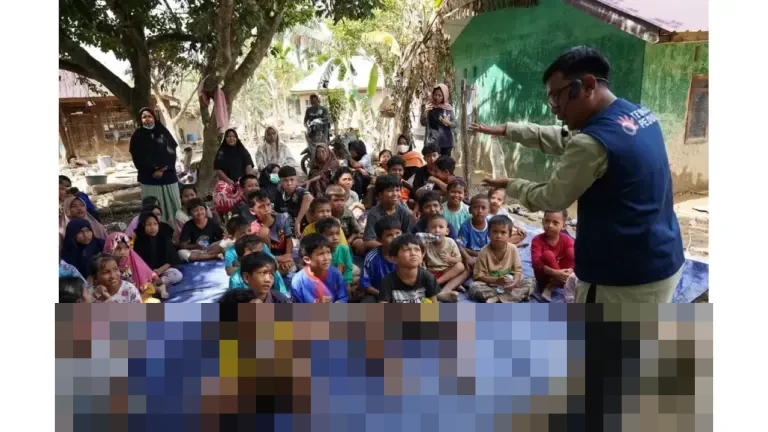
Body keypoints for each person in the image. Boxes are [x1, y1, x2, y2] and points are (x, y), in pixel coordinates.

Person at [472, 46, 684, 303]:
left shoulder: (592, 142)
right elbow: (564, 138)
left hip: (623, 278)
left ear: (587, 85)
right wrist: (508, 130)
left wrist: (510, 184)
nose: (554, 108)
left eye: (556, 97)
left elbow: (552, 198)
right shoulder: (639, 115)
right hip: (663, 257)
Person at [129, 107, 181, 226]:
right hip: (149, 177)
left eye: (149, 116)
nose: (147, 119)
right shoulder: (137, 136)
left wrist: (162, 169)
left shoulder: (163, 132)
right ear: (140, 120)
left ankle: (176, 230)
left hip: (168, 175)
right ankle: (155, 230)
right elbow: (138, 157)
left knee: (174, 205)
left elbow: (171, 152)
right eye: (144, 117)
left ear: (154, 118)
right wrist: (153, 169)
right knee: (152, 207)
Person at [468, 215, 535, 303]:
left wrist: (514, 283)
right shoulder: (484, 252)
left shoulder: (513, 249)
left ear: (509, 235)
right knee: (474, 287)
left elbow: (517, 271)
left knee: (530, 282)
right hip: (491, 285)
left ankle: (498, 299)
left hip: (509, 285)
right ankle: (513, 297)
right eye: (495, 232)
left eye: (503, 232)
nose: (498, 236)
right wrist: (497, 281)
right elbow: (478, 276)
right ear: (488, 234)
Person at [379, 234, 451, 303]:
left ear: (422, 256)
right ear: (394, 259)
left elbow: (433, 305)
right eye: (407, 250)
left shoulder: (428, 277)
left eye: (417, 250)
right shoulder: (387, 281)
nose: (413, 253)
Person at [248, 190, 295, 280]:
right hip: (267, 257)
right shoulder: (255, 228)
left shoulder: (281, 218)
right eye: (261, 207)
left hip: (283, 255)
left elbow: (289, 240)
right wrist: (279, 259)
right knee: (264, 231)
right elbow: (261, 253)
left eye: (268, 205)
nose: (266, 209)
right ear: (252, 211)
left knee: (289, 267)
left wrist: (288, 256)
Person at [103, 232, 164, 300]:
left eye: (126, 248)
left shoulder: (133, 260)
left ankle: (159, 289)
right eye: (118, 248)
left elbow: (147, 289)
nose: (123, 252)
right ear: (109, 249)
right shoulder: (103, 266)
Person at [531, 210, 575, 301]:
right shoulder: (537, 240)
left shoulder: (567, 239)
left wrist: (569, 270)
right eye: (547, 221)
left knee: (572, 252)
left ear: (564, 226)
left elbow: (576, 260)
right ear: (543, 221)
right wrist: (555, 273)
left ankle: (553, 285)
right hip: (544, 277)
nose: (550, 225)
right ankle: (549, 286)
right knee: (548, 254)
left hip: (564, 277)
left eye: (555, 223)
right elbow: (536, 263)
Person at [132, 211, 183, 290]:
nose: (152, 227)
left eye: (155, 224)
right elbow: (138, 263)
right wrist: (149, 273)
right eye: (149, 224)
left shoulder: (163, 238)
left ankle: (156, 285)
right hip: (146, 273)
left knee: (177, 275)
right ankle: (155, 286)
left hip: (162, 271)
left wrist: (159, 270)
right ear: (143, 226)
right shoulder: (139, 241)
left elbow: (171, 259)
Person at [291, 233, 348, 303]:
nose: (327, 258)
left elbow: (343, 297)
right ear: (307, 260)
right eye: (321, 254)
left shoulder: (336, 274)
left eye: (328, 252)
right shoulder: (298, 282)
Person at [362, 175, 413, 251]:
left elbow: (409, 236)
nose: (395, 194)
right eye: (390, 191)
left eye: (397, 190)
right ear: (380, 194)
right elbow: (368, 241)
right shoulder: (374, 213)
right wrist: (388, 247)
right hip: (381, 249)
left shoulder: (404, 212)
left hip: (400, 249)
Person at [213, 128, 255, 215]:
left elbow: (248, 164)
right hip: (226, 182)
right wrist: (229, 181)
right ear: (225, 138)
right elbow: (218, 168)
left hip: (242, 180)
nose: (231, 138)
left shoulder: (242, 150)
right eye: (229, 136)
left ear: (236, 138)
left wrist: (247, 180)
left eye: (233, 136)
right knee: (222, 194)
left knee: (251, 190)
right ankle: (227, 215)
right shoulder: (221, 152)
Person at [358, 216, 400, 303]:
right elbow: (365, 285)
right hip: (378, 293)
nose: (395, 238)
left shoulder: (406, 254)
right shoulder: (372, 257)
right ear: (379, 240)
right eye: (389, 235)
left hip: (402, 295)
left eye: (398, 233)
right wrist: (383, 295)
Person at [422, 215, 466, 293]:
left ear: (447, 231)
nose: (437, 230)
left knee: (460, 266)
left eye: (441, 227)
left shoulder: (451, 242)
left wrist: (451, 259)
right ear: (427, 231)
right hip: (431, 271)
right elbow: (421, 259)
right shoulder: (426, 243)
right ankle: (448, 285)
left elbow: (460, 259)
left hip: (446, 271)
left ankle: (437, 283)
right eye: (433, 227)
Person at [316, 217, 357, 292]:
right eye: (330, 235)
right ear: (321, 236)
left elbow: (348, 267)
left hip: (341, 279)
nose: (335, 238)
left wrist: (347, 284)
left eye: (337, 234)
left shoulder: (344, 249)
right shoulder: (319, 253)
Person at [273, 165, 313, 236]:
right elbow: (277, 210)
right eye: (285, 180)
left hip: (303, 225)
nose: (289, 183)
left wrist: (298, 221)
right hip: (286, 225)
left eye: (292, 179)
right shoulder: (279, 191)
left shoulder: (298, 190)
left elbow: (309, 197)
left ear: (296, 180)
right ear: (280, 182)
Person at [326, 185, 364, 256]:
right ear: (328, 201)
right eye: (336, 200)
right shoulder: (326, 214)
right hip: (331, 240)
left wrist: (348, 242)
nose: (339, 203)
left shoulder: (348, 212)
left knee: (360, 243)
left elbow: (356, 231)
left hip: (348, 239)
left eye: (342, 200)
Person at [421, 84, 457, 157]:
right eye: (435, 94)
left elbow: (455, 124)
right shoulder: (429, 106)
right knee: (433, 163)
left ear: (444, 96)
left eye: (440, 95)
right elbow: (423, 123)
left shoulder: (448, 109)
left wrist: (448, 123)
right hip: (432, 142)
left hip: (446, 143)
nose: (436, 97)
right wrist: (425, 112)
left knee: (444, 165)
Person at [458, 194, 490, 268]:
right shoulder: (465, 227)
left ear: (489, 211)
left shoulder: (491, 224)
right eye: (475, 207)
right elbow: (460, 246)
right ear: (470, 210)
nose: (479, 211)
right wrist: (468, 257)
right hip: (472, 255)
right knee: (469, 268)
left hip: (489, 254)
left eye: (483, 208)